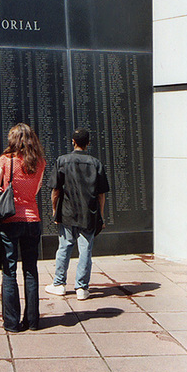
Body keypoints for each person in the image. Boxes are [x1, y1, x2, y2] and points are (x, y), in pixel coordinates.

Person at [45, 127, 109, 300]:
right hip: (89, 214)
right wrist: (101, 216)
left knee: (64, 248)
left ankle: (59, 284)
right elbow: (101, 194)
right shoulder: (96, 164)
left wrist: (54, 209)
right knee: (85, 250)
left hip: (67, 213)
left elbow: (56, 190)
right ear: (88, 143)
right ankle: (82, 288)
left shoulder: (62, 161)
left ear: (73, 142)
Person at [0, 123, 46, 332]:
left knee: (9, 271)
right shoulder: (40, 163)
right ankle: (33, 321)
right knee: (31, 270)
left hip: (10, 220)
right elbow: (37, 189)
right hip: (32, 220)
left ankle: (12, 322)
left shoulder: (6, 160)